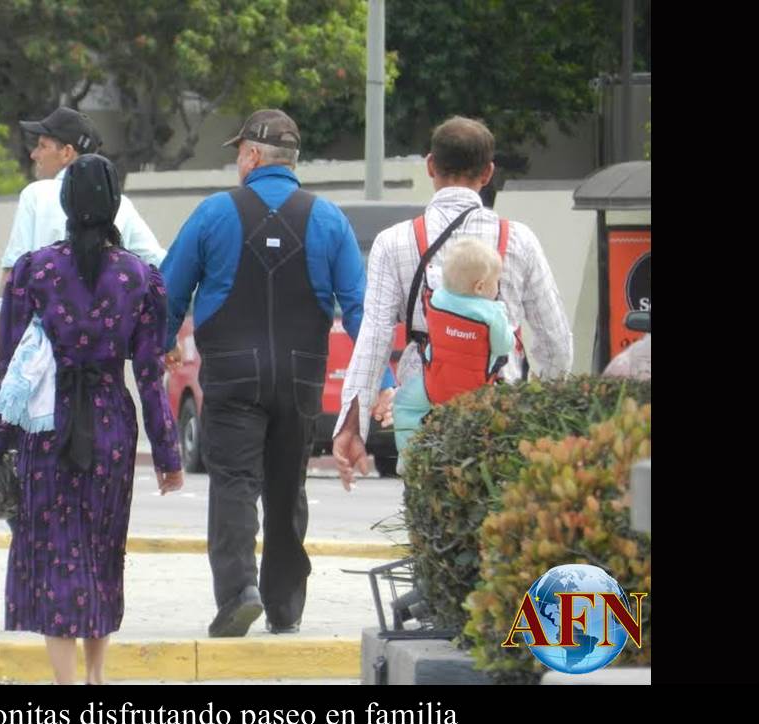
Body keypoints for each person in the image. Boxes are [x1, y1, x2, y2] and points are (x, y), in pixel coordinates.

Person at [0, 153, 183, 685]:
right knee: (101, 549)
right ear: (115, 205)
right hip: (112, 422)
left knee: (55, 551)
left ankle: (67, 684)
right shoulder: (142, 277)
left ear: (66, 204)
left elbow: (18, 365)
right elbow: (151, 375)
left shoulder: (33, 270)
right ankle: (96, 676)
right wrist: (168, 455)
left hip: (46, 425)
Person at [160, 109, 367, 637]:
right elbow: (359, 308)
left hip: (232, 374)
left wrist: (159, 346)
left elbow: (168, 292)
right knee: (287, 486)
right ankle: (285, 605)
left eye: (238, 152)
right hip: (301, 376)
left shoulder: (213, 213)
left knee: (233, 482)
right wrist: (376, 383)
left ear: (252, 155)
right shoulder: (329, 219)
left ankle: (238, 594)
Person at [333, 116, 573, 489]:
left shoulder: (394, 242)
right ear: (488, 172)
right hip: (499, 410)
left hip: (424, 407)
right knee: (492, 509)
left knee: (429, 508)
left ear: (430, 165)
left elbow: (374, 339)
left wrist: (352, 426)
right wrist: (541, 412)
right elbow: (555, 340)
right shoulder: (519, 240)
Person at [0, 106, 166, 381]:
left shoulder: (36, 195)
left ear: (67, 152)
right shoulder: (123, 206)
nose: (34, 154)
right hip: (101, 360)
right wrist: (167, 334)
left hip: (39, 354)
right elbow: (161, 264)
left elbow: (12, 274)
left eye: (42, 146)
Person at [391, 237, 514, 457]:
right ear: (480, 286)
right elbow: (504, 346)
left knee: (404, 406)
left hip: (434, 385)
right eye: (497, 281)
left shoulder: (437, 299)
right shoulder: (493, 314)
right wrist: (504, 322)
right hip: (475, 392)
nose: (498, 286)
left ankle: (408, 457)